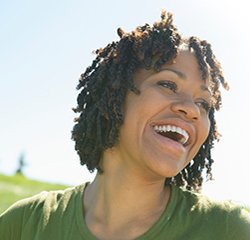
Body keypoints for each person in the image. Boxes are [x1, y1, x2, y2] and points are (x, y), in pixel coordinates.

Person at [1, 10, 250, 240]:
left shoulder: (229, 230)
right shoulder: (25, 224)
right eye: (168, 85)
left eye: (204, 103)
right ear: (115, 97)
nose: (192, 109)